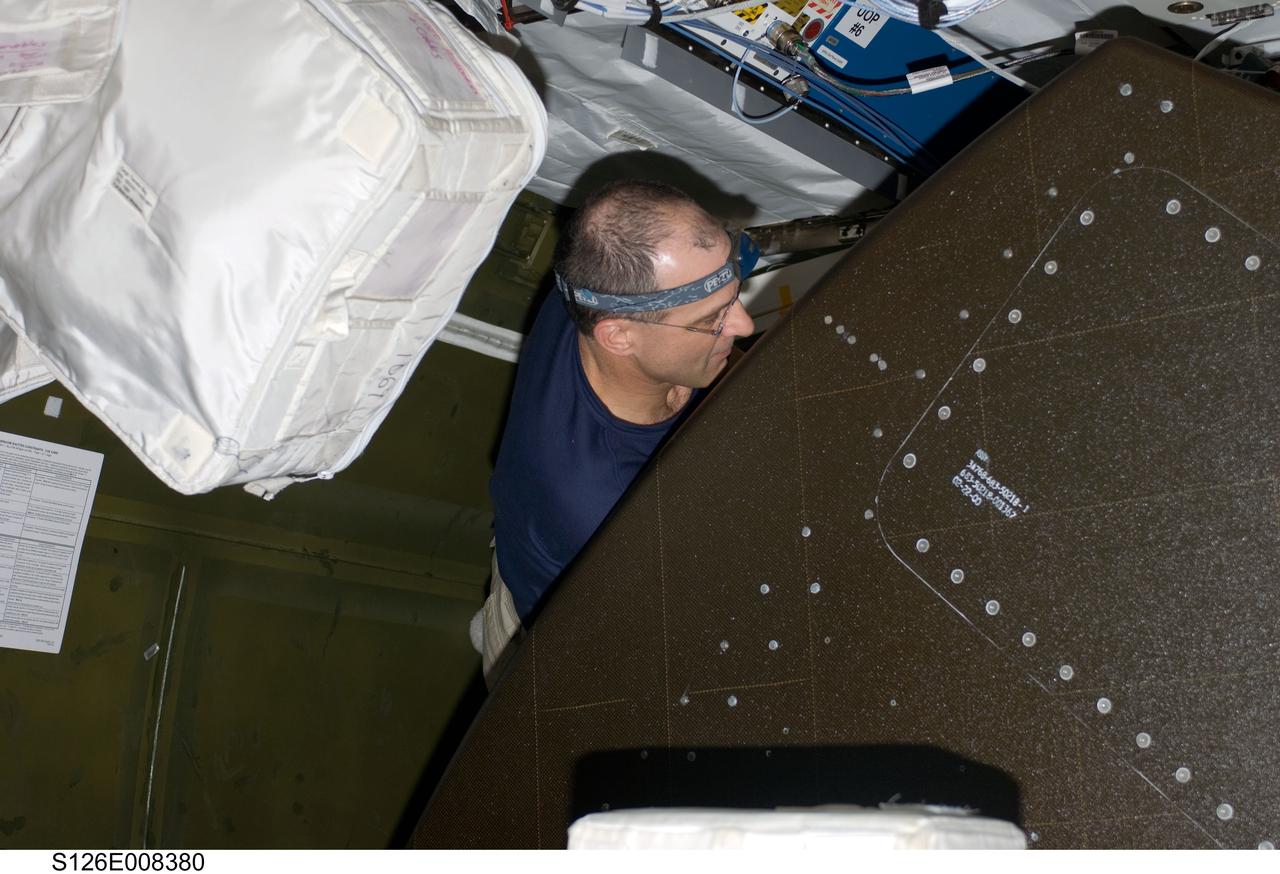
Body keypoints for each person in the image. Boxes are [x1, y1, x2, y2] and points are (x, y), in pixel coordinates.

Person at [473, 180, 757, 683]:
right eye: (712, 320)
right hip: (559, 642)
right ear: (619, 336)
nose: (744, 324)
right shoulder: (598, 501)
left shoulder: (593, 285)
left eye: (734, 294)